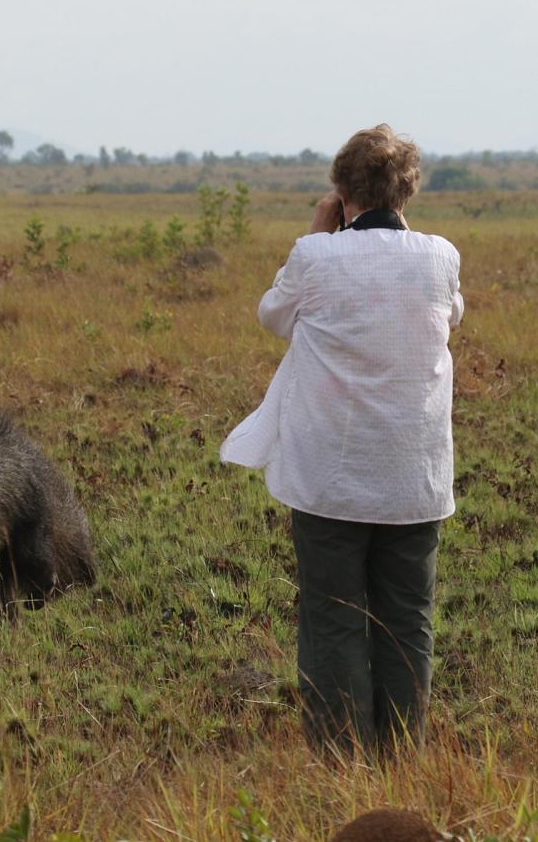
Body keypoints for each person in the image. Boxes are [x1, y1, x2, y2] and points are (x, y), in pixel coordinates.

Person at [220, 124, 464, 755]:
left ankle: (338, 759)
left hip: (328, 474)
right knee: (407, 619)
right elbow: (452, 317)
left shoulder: (315, 256)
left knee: (332, 617)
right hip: (415, 475)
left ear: (340, 189)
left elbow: (273, 316)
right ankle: (401, 757)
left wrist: (315, 233)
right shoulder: (441, 256)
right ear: (407, 191)